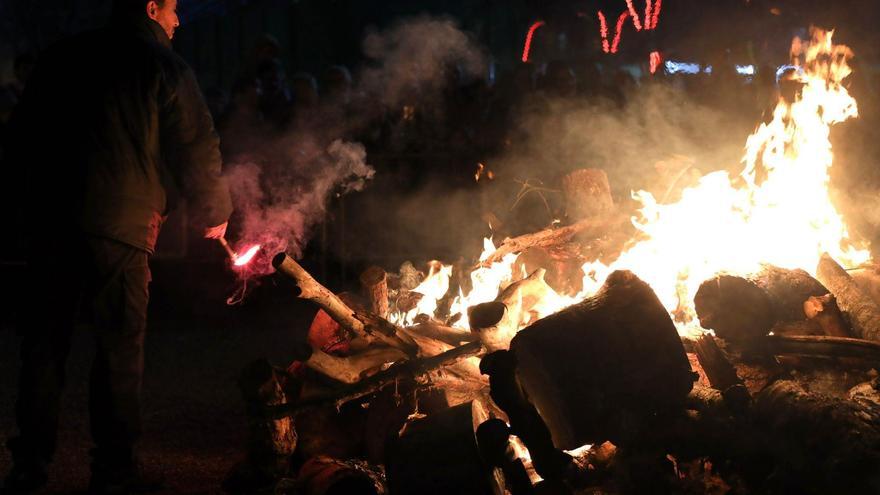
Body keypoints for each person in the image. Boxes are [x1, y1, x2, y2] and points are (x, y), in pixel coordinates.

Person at [2, 0, 232, 493]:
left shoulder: (61, 56)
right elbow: (195, 143)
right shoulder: (164, 65)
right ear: (151, 8)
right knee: (119, 348)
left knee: (43, 345)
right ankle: (114, 469)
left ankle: (30, 464)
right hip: (122, 226)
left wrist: (23, 207)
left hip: (52, 221)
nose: (179, 21)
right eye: (173, 9)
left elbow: (20, 137)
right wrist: (214, 210)